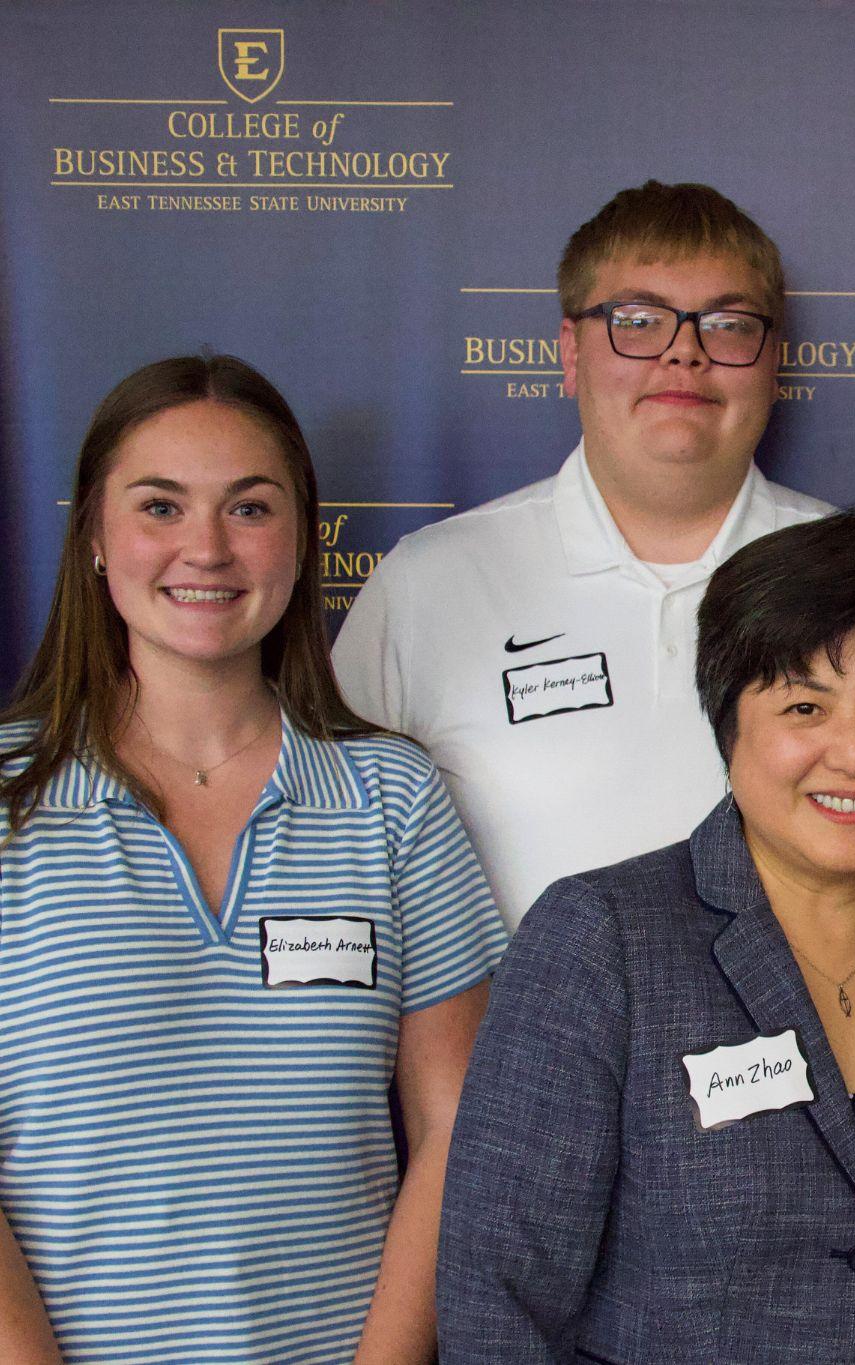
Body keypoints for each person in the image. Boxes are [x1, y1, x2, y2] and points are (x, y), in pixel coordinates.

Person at [0, 355, 506, 1362]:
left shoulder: (393, 801)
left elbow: (459, 1132)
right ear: (95, 539)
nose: (206, 548)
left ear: (300, 539)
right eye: (159, 506)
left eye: (249, 508)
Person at [333, 181, 855, 928]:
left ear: (773, 359)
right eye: (640, 320)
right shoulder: (426, 584)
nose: (685, 353)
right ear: (570, 351)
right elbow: (336, 863)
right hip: (511, 1047)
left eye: (727, 324)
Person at [437, 510, 855, 1363]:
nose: (853, 753)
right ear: (728, 722)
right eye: (803, 705)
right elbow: (498, 1304)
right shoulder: (603, 941)